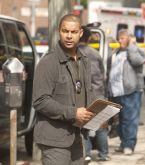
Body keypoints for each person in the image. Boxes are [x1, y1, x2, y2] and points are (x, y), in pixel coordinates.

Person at [32, 14, 94, 165]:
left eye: (73, 32)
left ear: (80, 33)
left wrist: (100, 116)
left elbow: (87, 93)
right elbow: (40, 101)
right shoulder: (48, 62)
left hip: (76, 137)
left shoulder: (84, 61)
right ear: (58, 32)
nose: (69, 36)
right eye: (65, 31)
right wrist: (74, 113)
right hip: (54, 141)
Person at [107, 29, 145, 155]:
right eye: (119, 38)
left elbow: (137, 61)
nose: (120, 40)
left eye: (123, 38)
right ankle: (123, 143)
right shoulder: (116, 52)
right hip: (116, 91)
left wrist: (131, 46)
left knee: (130, 120)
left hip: (131, 91)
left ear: (129, 38)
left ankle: (129, 145)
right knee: (120, 120)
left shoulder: (136, 51)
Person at [78, 25, 110, 162]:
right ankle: (104, 154)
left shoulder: (74, 53)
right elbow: (102, 76)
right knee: (100, 128)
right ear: (89, 37)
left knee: (83, 128)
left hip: (81, 96)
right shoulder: (95, 54)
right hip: (98, 95)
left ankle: (87, 154)